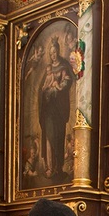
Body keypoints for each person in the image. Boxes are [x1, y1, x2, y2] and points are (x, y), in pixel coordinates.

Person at [38, 37, 74, 178]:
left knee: (58, 136)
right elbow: (42, 88)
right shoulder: (48, 70)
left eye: (54, 52)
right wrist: (45, 90)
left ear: (58, 51)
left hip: (58, 109)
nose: (53, 55)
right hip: (48, 110)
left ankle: (58, 167)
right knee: (48, 136)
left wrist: (57, 87)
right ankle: (49, 167)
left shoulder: (63, 67)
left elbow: (67, 81)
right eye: (50, 53)